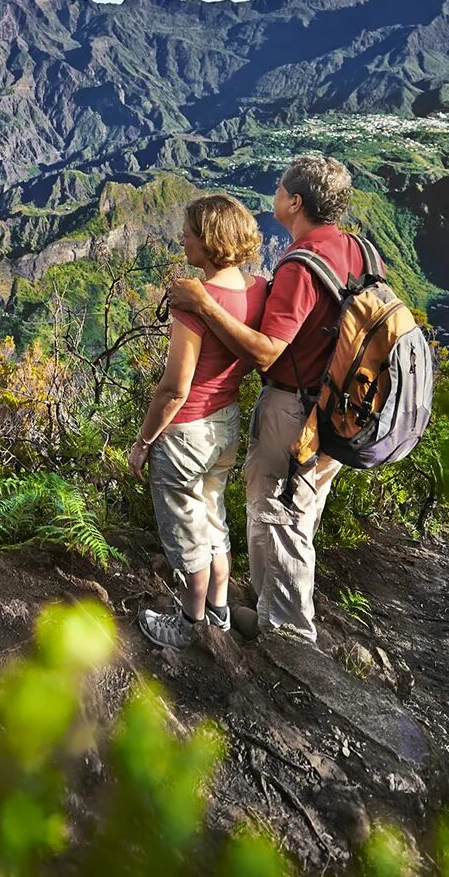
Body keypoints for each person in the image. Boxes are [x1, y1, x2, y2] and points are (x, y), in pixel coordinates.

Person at [168, 155, 361, 645]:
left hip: (297, 409)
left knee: (276, 517)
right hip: (340, 406)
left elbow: (266, 352)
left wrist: (205, 304)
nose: (273, 194)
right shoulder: (355, 248)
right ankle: (279, 615)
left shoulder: (300, 265)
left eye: (279, 187)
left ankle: (288, 637)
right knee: (300, 515)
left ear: (294, 202)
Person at [131, 193, 269, 650]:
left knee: (187, 532)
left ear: (209, 241)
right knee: (213, 519)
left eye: (189, 231)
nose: (183, 238)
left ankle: (189, 625)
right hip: (226, 422)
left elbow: (174, 388)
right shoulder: (257, 290)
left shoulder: (194, 302)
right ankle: (220, 611)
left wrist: (145, 440)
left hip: (186, 431)